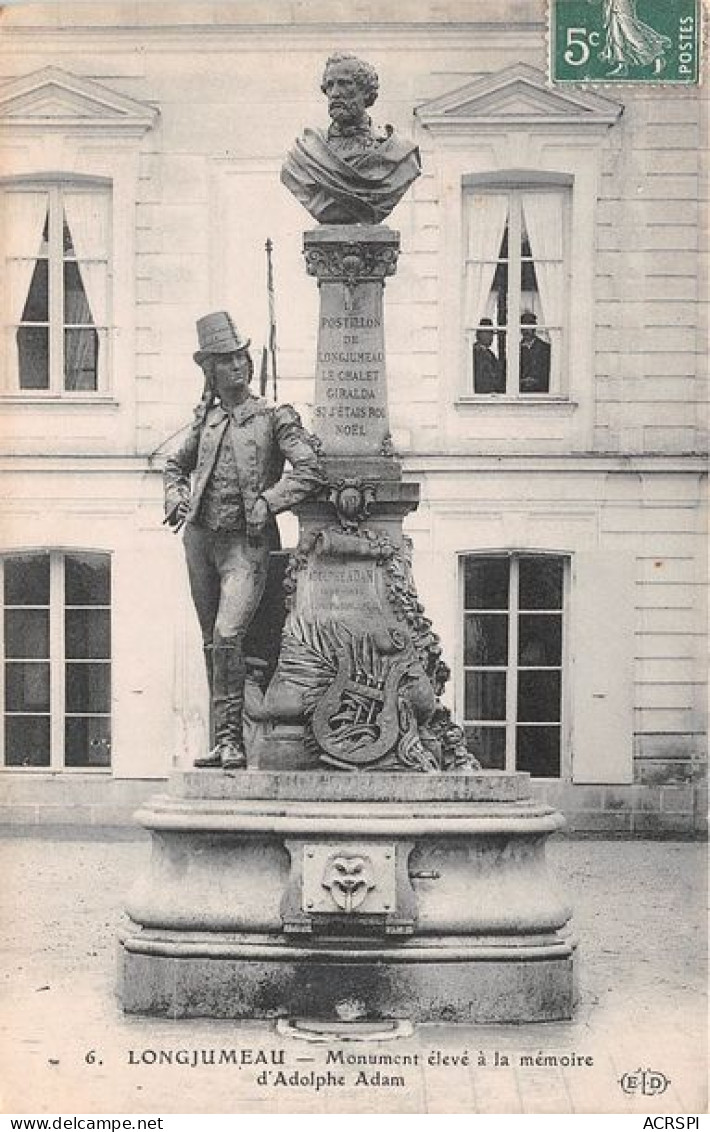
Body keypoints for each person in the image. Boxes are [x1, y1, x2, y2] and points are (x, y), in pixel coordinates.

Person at [164, 312, 323, 770]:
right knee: (211, 643)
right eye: (225, 361)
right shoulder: (207, 420)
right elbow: (175, 466)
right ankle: (226, 741)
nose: (237, 367)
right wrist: (178, 496)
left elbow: (310, 469)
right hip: (200, 541)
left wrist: (270, 501)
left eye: (240, 358)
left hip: (246, 545)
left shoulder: (274, 417)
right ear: (209, 371)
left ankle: (235, 740)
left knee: (228, 634)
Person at [281, 52, 421, 224]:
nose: (335, 93)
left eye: (345, 84)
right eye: (329, 86)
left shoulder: (400, 154)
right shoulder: (304, 155)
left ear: (366, 92)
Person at [519, 311, 551, 393]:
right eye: (523, 327)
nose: (526, 330)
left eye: (529, 326)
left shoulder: (545, 348)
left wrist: (536, 381)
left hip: (541, 393)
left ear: (534, 328)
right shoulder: (515, 350)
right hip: (521, 393)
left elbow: (549, 373)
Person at [473, 318, 504, 394]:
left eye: (492, 334)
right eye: (488, 333)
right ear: (479, 334)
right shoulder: (474, 352)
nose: (491, 337)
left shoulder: (490, 354)